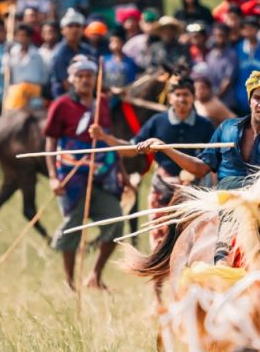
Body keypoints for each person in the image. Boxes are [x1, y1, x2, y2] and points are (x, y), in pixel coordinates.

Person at [136, 70, 260, 264]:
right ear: (250, 100)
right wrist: (165, 149)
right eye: (257, 98)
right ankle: (221, 260)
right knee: (222, 257)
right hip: (229, 202)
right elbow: (200, 167)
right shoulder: (227, 129)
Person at [90, 75, 215, 246]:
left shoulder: (205, 125)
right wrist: (105, 137)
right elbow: (131, 149)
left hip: (194, 191)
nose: (181, 99)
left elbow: (213, 160)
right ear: (170, 98)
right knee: (160, 246)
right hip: (162, 189)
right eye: (177, 94)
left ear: (193, 97)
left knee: (193, 245)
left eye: (186, 95)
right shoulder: (157, 121)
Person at [44, 56, 124, 291]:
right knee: (73, 226)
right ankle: (70, 283)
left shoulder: (103, 103)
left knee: (116, 220)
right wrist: (52, 176)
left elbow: (109, 141)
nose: (85, 80)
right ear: (72, 80)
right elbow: (51, 143)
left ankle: (95, 275)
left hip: (102, 172)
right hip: (71, 174)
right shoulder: (60, 105)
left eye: (89, 76)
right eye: (80, 76)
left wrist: (123, 173)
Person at [50, 9, 93, 99]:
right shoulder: (59, 53)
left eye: (77, 26)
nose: (74, 29)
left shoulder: (88, 50)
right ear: (63, 30)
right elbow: (65, 83)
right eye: (70, 26)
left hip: (86, 96)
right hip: (65, 97)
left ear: (83, 29)